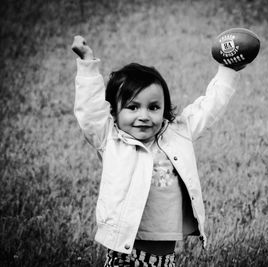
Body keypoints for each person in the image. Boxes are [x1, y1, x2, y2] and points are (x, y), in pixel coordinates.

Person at [72, 35, 243, 266]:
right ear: (114, 112)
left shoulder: (177, 133)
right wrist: (87, 64)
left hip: (166, 259)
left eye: (153, 107)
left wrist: (228, 70)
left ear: (164, 109)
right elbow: (90, 111)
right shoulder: (111, 139)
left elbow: (208, 108)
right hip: (127, 257)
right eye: (132, 107)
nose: (143, 116)